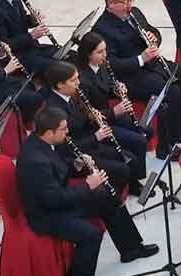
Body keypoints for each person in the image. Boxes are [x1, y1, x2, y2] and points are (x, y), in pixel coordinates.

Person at [18, 107, 159, 276]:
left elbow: (59, 168)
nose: (67, 132)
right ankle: (79, 275)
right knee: (91, 233)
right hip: (46, 214)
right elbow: (54, 199)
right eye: (63, 129)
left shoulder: (44, 143)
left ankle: (131, 249)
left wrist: (76, 165)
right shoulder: (35, 161)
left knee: (109, 198)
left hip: (59, 198)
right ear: (48, 132)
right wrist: (87, 185)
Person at [92, 0, 181, 152]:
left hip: (151, 64)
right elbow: (110, 64)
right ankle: (170, 143)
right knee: (171, 91)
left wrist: (154, 37)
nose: (129, 5)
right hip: (130, 76)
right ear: (111, 4)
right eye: (125, 2)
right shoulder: (102, 29)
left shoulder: (135, 13)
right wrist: (141, 58)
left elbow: (152, 30)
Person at [38, 62, 143, 195]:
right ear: (60, 85)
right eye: (73, 80)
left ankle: (133, 186)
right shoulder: (54, 110)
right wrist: (96, 137)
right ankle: (111, 197)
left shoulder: (72, 95)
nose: (78, 83)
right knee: (121, 169)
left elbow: (82, 119)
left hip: (91, 143)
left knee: (130, 158)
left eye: (78, 78)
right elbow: (63, 148)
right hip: (78, 156)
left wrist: (94, 117)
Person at [73, 32, 153, 149]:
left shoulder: (103, 65)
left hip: (110, 115)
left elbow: (107, 86)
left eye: (105, 50)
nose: (105, 55)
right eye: (100, 52)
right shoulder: (81, 80)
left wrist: (116, 89)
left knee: (148, 130)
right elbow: (87, 115)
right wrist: (115, 111)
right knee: (139, 141)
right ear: (88, 55)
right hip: (98, 125)